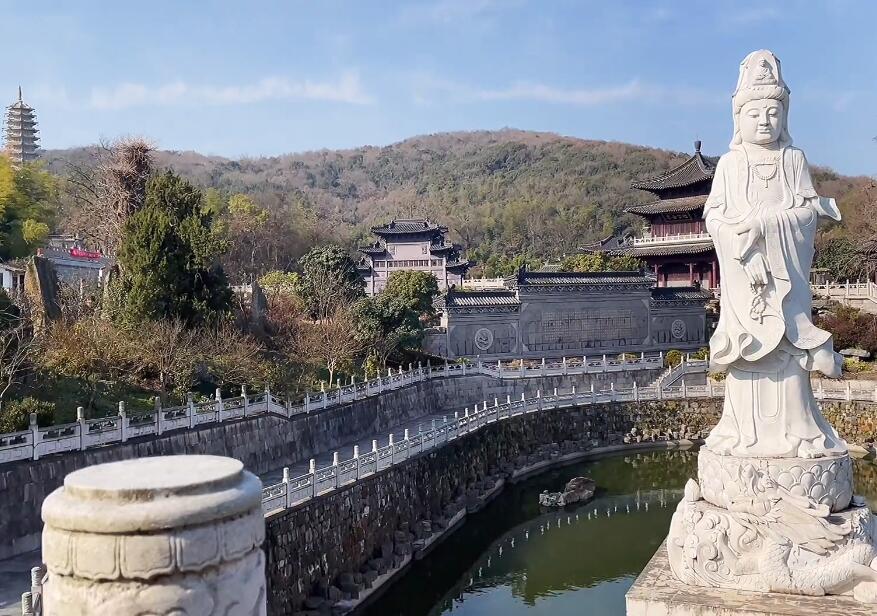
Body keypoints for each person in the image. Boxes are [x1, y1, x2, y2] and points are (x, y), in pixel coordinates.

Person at [704, 50, 845, 459]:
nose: (764, 121)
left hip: (787, 279)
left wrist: (765, 224)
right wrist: (743, 250)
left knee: (787, 355)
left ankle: (800, 431)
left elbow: (807, 211)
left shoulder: (793, 159)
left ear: (784, 116)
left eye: (772, 113)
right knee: (748, 353)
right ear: (738, 118)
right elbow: (714, 217)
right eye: (754, 114)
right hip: (746, 280)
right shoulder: (730, 165)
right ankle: (738, 432)